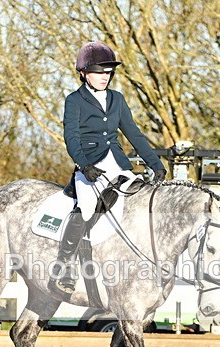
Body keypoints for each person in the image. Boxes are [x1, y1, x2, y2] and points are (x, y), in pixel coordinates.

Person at [48, 41, 167, 298]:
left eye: (108, 72)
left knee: (139, 199)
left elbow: (133, 134)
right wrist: (84, 165)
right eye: (99, 72)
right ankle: (64, 266)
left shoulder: (117, 98)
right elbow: (71, 137)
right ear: (84, 73)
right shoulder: (74, 101)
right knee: (88, 207)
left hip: (117, 164)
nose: (104, 77)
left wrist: (156, 164)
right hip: (89, 165)